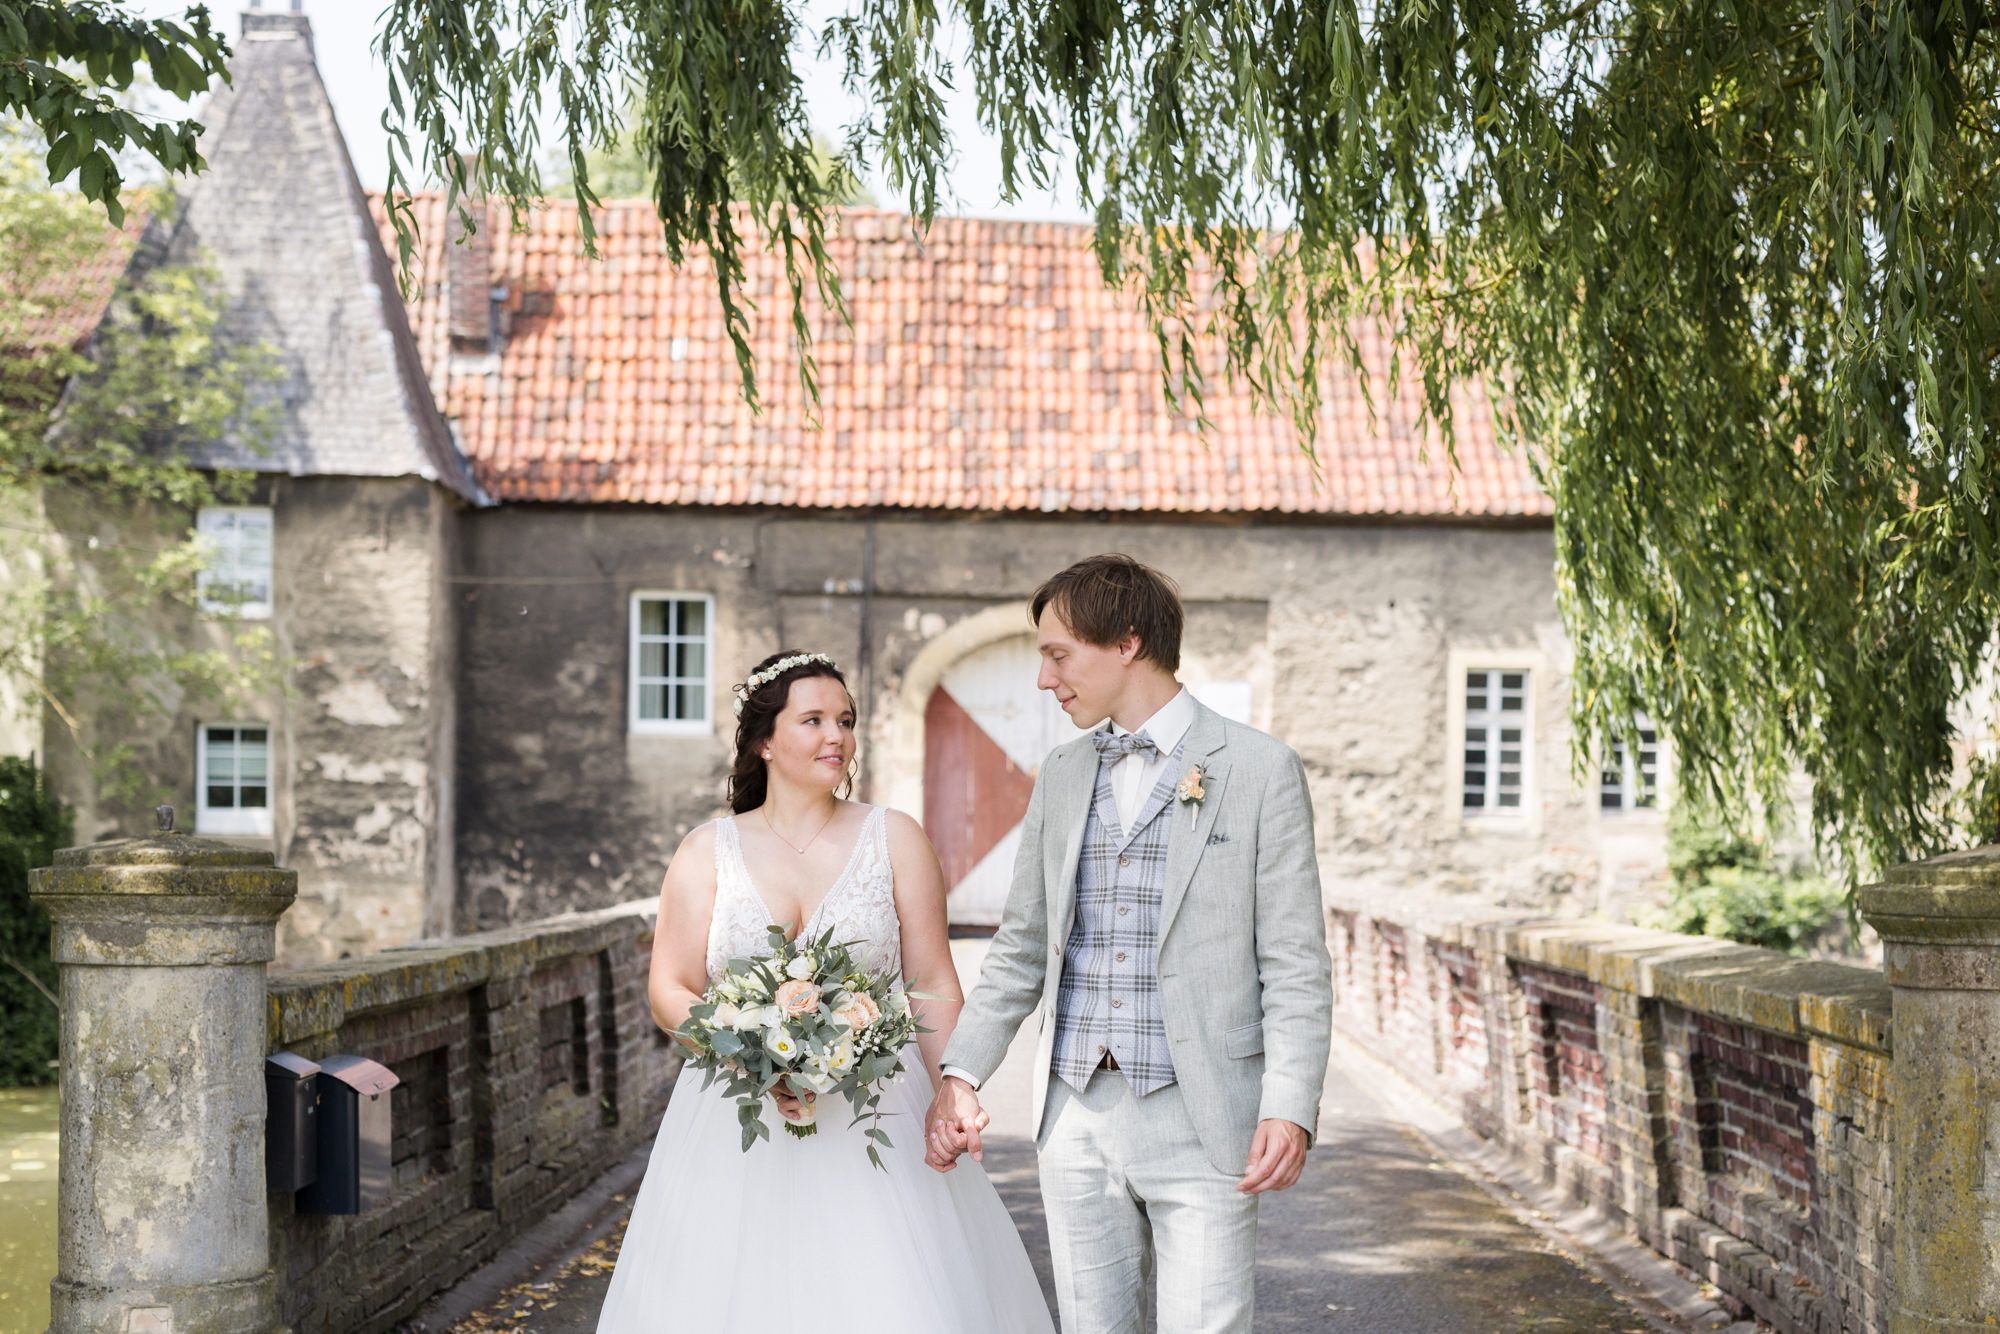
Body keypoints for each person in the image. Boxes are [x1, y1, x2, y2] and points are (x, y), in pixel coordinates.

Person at [926, 554, 1334, 1334]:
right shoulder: (1062, 773)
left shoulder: (1260, 770)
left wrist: (1289, 1106)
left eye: (1058, 655)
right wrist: (961, 1072)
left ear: (1127, 643)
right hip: (1075, 1116)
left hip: (1207, 1114)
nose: (1044, 679)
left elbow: (1294, 964)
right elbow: (1021, 946)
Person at [596, 652, 1053, 1333]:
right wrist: (753, 1053)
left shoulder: (894, 838)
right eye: (813, 720)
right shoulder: (706, 850)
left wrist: (954, 1091)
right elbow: (670, 987)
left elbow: (931, 983)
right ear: (765, 740)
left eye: (846, 719)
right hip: (734, 1112)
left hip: (879, 1114)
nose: (837, 736)